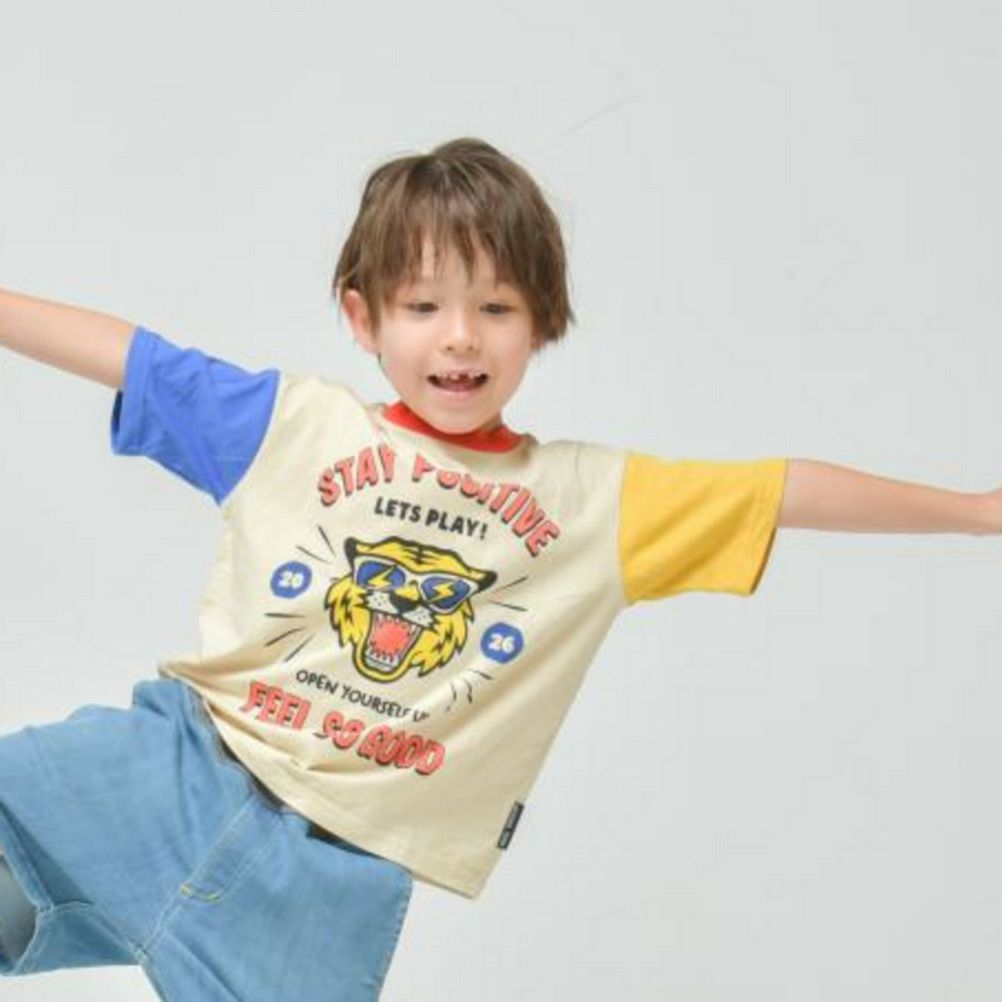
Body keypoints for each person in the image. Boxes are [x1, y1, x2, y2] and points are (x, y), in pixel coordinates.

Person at [0, 136, 998, 1000]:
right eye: (423, 303)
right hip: (167, 771)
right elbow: (137, 356)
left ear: (542, 322)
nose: (460, 336)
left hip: (325, 888)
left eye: (496, 306)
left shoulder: (593, 503)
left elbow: (782, 491)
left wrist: (973, 514)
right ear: (363, 317)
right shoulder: (294, 427)